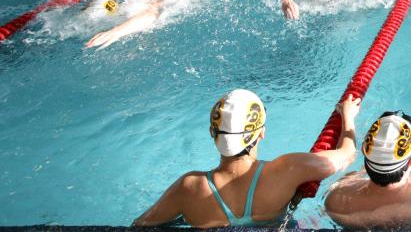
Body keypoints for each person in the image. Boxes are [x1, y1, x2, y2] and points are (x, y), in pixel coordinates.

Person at [132, 90, 362, 227]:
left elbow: (140, 226)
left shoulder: (189, 187)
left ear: (213, 134)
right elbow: (346, 155)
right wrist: (348, 116)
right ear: (261, 133)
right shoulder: (288, 169)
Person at [324, 111, 411, 229]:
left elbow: (346, 178)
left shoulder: (337, 201)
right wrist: (404, 140)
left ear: (365, 153)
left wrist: (376, 150)